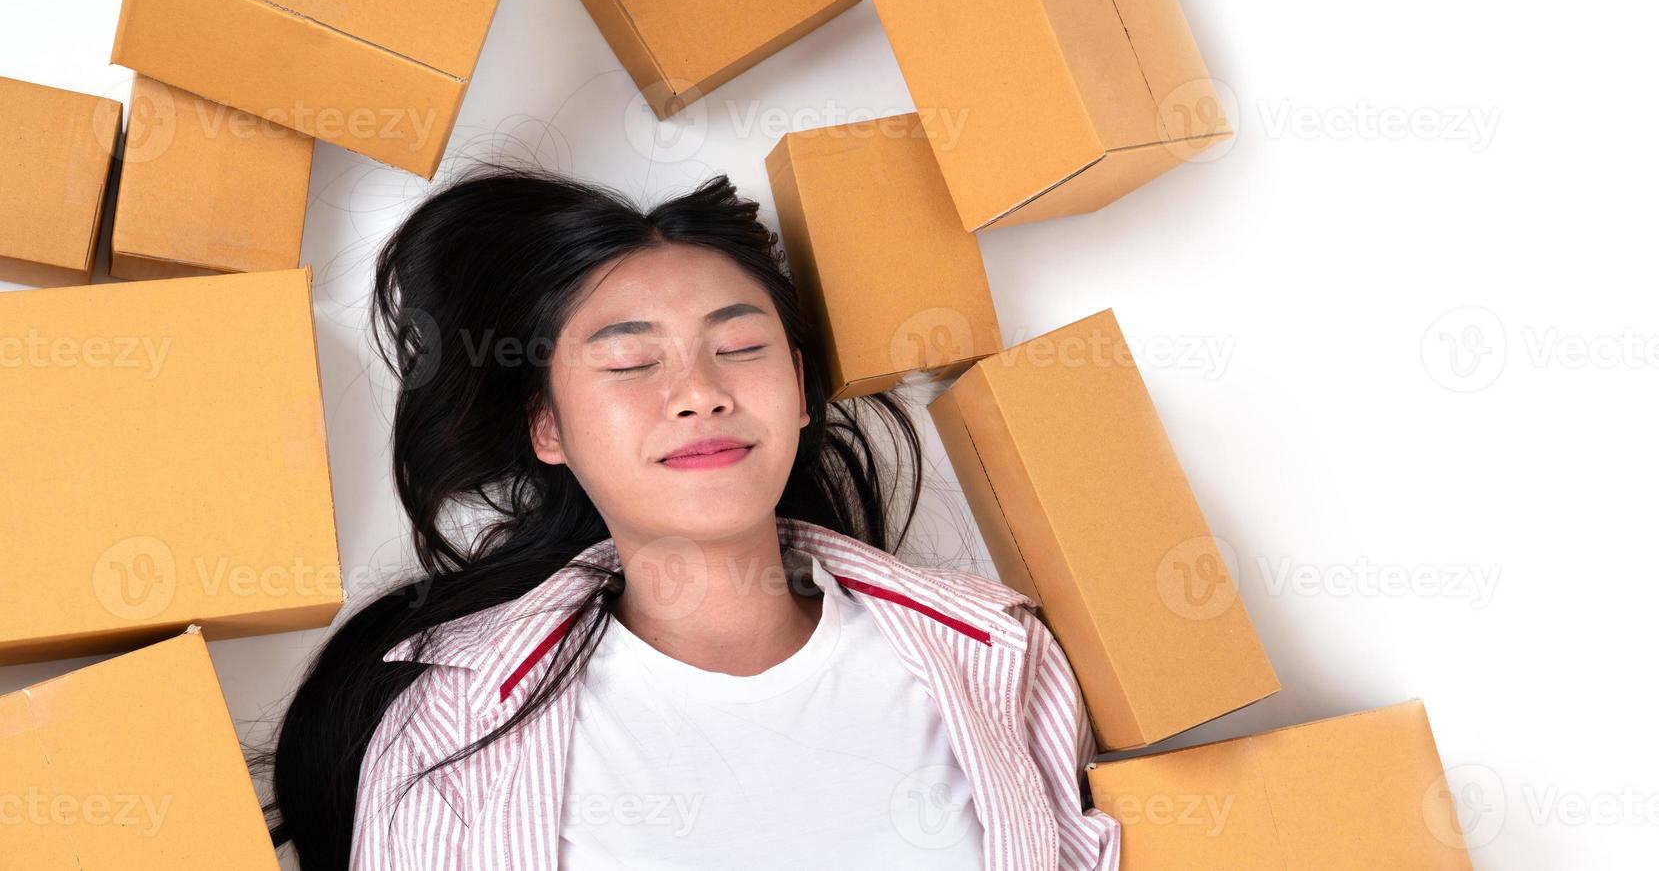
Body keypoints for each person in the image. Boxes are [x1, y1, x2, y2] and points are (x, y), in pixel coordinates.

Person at [259, 164, 1121, 870]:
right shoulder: (452, 716)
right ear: (547, 428)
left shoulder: (997, 655)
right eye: (632, 362)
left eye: (740, 349)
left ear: (799, 392)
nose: (701, 395)